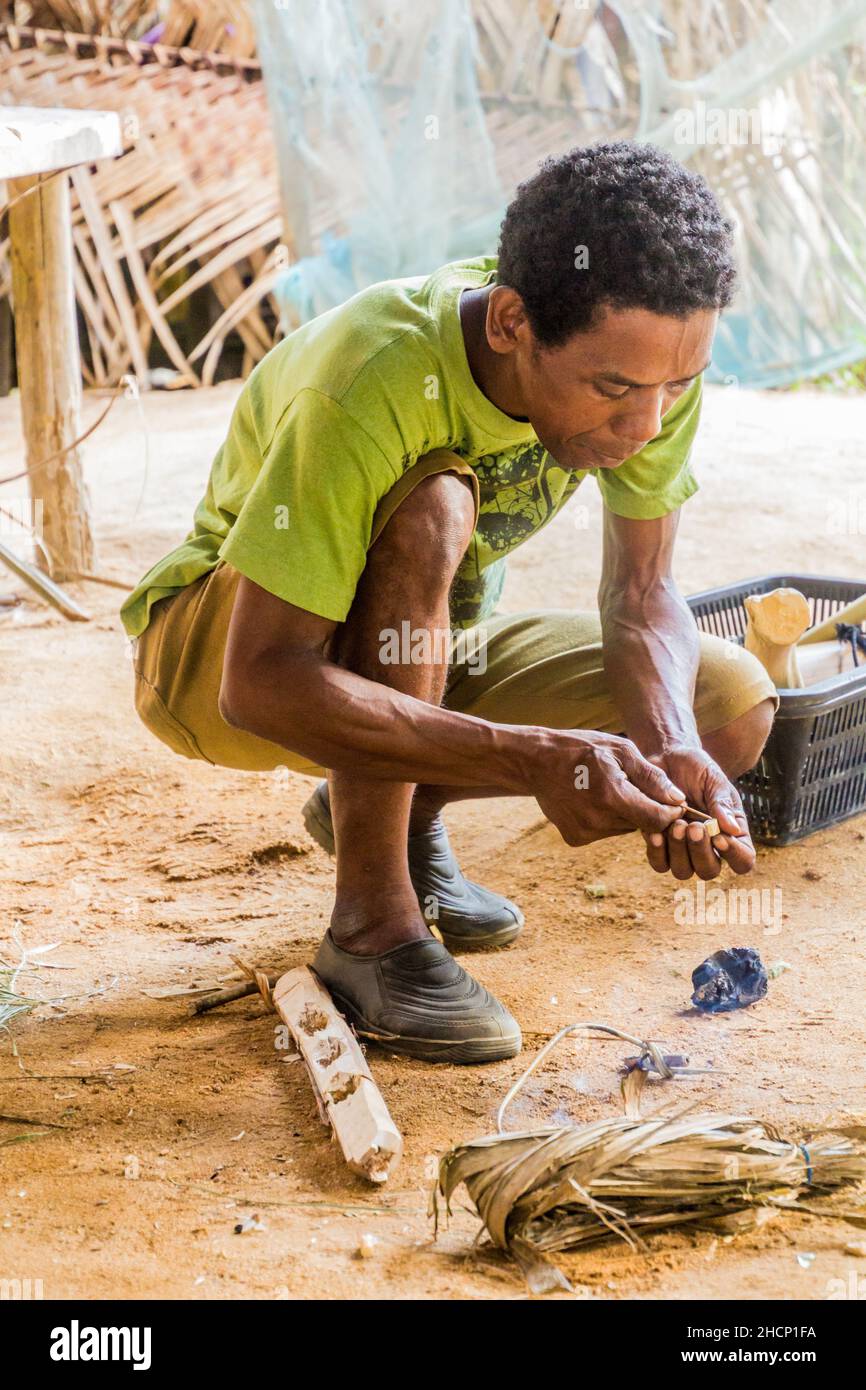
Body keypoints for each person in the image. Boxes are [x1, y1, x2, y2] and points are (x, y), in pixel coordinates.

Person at [121, 142, 777, 1063]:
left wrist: (665, 740)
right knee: (434, 504)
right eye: (616, 389)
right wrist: (531, 757)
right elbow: (260, 684)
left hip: (409, 653)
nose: (647, 425)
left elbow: (640, 591)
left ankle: (396, 807)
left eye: (679, 382)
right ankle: (371, 927)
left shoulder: (650, 360)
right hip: (217, 656)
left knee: (725, 706)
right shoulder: (377, 372)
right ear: (511, 322)